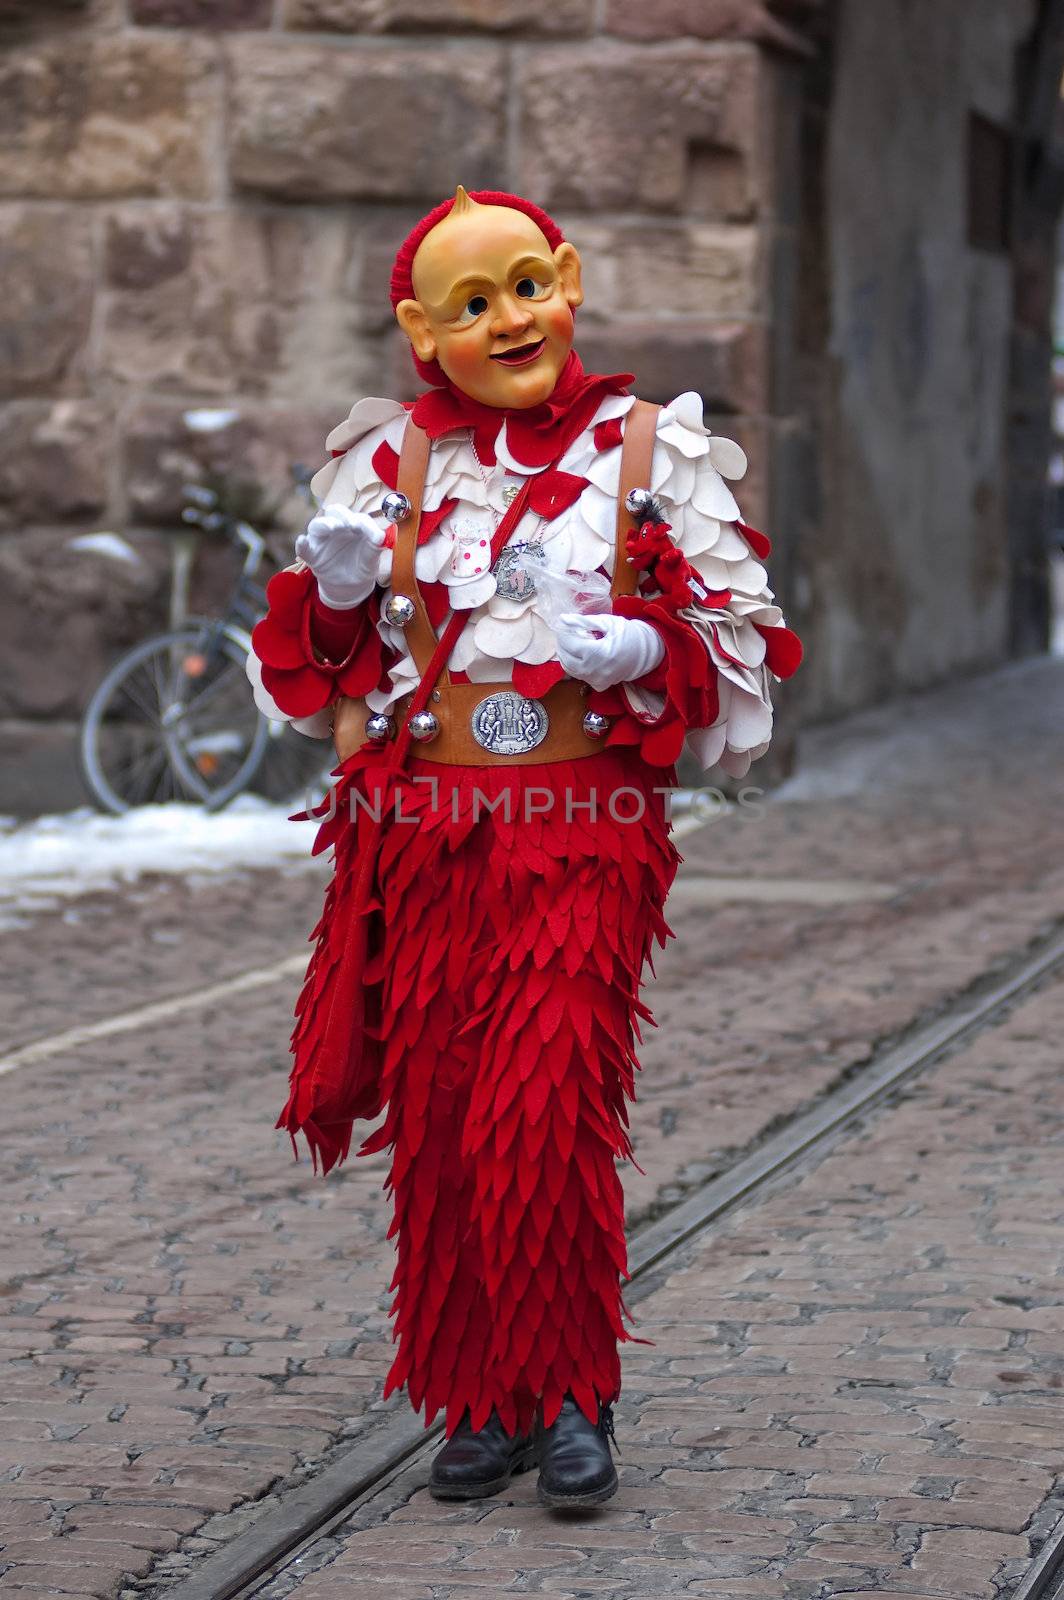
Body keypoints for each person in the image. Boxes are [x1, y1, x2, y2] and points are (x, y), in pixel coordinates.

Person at [246, 186, 802, 1510]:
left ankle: (573, 1393)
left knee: (545, 1109)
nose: (509, 321)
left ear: (568, 278)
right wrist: (333, 602)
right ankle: (479, 1396)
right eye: (474, 304)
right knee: (439, 1121)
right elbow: (327, 686)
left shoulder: (652, 448)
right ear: (423, 333)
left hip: (583, 834)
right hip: (427, 840)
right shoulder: (386, 463)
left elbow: (744, 645)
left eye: (526, 287)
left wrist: (648, 647)